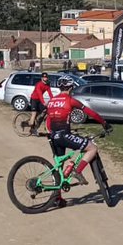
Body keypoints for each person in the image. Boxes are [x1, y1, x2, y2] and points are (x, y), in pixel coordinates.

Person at [45, 76, 111, 206]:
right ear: (70, 88)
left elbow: (48, 120)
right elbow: (90, 112)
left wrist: (51, 131)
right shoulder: (70, 100)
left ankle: (57, 199)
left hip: (54, 137)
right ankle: (78, 170)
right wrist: (103, 122)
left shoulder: (52, 101)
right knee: (92, 148)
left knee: (59, 168)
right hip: (64, 135)